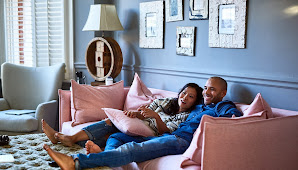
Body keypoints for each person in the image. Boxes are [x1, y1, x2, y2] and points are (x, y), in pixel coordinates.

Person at [43, 77, 242, 169]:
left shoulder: (222, 106)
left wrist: (225, 120)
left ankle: (76, 162)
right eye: (206, 88)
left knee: (130, 149)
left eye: (212, 90)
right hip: (171, 137)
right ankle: (87, 153)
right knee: (119, 138)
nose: (207, 92)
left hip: (182, 141)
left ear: (223, 93)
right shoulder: (200, 107)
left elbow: (233, 116)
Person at [42, 83, 203, 150]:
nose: (184, 97)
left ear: (195, 101)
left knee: (112, 129)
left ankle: (67, 138)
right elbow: (145, 112)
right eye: (184, 93)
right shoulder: (168, 101)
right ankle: (68, 139)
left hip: (152, 133)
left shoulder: (188, 116)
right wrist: (136, 114)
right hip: (141, 123)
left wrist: (156, 118)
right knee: (109, 124)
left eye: (190, 97)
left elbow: (166, 133)